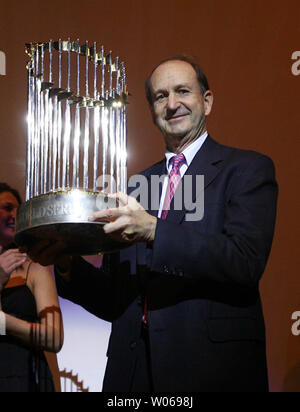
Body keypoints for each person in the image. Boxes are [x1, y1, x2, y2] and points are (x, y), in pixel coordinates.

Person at [25, 55, 278, 392]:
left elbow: (244, 260)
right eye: (161, 96)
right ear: (152, 110)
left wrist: (155, 231)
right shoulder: (134, 187)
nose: (172, 104)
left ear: (207, 101)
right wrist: (66, 263)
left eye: (182, 92)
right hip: (133, 373)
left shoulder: (246, 169)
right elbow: (114, 298)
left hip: (210, 370)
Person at [0, 183, 64, 392]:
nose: (14, 215)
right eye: (7, 207)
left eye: (18, 210)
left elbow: (54, 338)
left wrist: (5, 323)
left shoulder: (34, 268)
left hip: (25, 378)